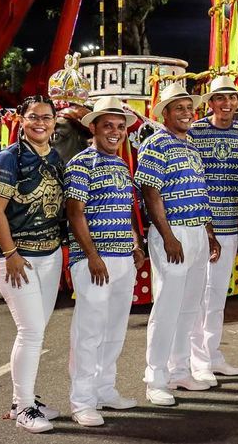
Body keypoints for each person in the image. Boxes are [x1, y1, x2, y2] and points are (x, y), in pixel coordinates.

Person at [135, 82, 221, 406]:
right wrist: (168, 236)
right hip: (173, 234)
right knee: (167, 306)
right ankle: (155, 379)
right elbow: (150, 192)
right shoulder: (155, 144)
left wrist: (209, 233)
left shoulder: (191, 147)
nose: (186, 113)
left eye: (189, 108)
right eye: (179, 108)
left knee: (189, 307)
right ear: (166, 114)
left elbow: (200, 192)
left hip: (197, 233)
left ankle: (180, 371)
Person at [0, 94, 65, 433]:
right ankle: (24, 407)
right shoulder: (9, 158)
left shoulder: (54, 157)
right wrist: (10, 253)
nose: (40, 123)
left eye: (46, 117)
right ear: (21, 119)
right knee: (30, 331)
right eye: (33, 116)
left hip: (49, 255)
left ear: (54, 122)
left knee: (36, 331)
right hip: (16, 258)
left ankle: (24, 400)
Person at [64, 96, 143, 427]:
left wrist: (135, 245)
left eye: (120, 127)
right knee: (89, 331)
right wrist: (93, 255)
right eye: (108, 125)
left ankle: (105, 389)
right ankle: (82, 401)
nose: (115, 132)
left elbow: (124, 210)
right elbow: (75, 212)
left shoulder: (121, 165)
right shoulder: (81, 163)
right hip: (94, 261)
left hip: (123, 258)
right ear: (93, 128)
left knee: (115, 328)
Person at [187, 75, 238, 385]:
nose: (227, 103)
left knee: (217, 296)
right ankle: (198, 361)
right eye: (220, 98)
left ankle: (212, 354)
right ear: (211, 103)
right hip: (200, 228)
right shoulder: (195, 132)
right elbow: (192, 182)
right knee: (198, 295)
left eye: (232, 98)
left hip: (230, 227)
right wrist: (207, 229)